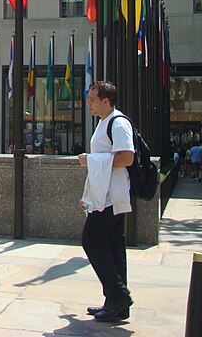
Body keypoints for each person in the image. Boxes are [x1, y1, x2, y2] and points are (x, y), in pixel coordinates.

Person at [78, 81, 134, 322]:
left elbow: (127, 157)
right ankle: (115, 303)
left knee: (91, 240)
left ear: (105, 101)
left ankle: (119, 296)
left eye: (92, 99)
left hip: (112, 197)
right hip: (106, 195)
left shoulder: (118, 123)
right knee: (113, 247)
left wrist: (91, 160)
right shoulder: (104, 122)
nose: (88, 103)